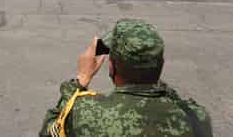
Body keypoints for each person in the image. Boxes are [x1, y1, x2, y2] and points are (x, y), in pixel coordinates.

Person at [39, 19, 213, 137]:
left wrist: (82, 79)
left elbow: (50, 132)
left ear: (112, 66)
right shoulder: (196, 117)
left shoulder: (85, 112)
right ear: (161, 64)